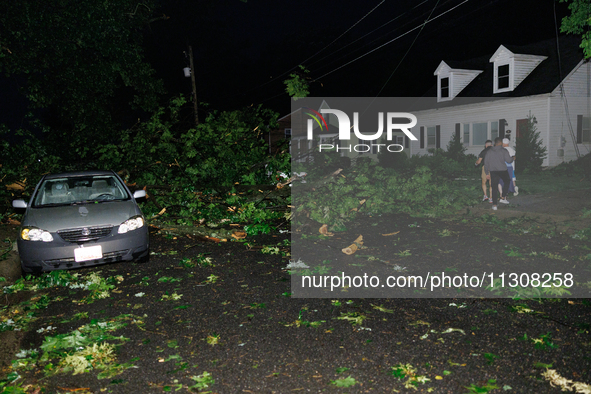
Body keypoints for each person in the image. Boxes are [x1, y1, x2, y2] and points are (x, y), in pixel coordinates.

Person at [484, 137, 514, 211]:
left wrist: (487, 173)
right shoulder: (504, 150)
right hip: (502, 170)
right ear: (501, 143)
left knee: (494, 187)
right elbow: (509, 160)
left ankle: (494, 205)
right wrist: (513, 158)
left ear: (495, 143)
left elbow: (486, 163)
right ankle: (503, 195)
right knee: (507, 180)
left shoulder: (490, 151)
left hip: (493, 171)